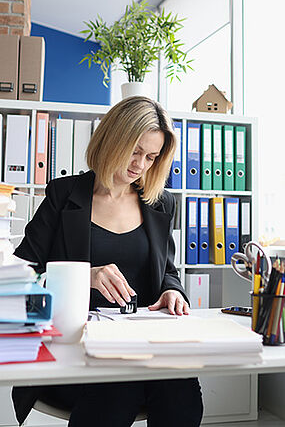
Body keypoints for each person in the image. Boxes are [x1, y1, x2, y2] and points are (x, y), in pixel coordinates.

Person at [12, 96, 203, 426]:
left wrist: (173, 292)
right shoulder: (63, 195)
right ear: (113, 139)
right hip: (76, 352)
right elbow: (20, 274)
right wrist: (82, 276)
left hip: (146, 349)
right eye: (134, 151)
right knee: (116, 392)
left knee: (182, 394)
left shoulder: (161, 204)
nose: (140, 165)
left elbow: (167, 270)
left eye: (151, 157)